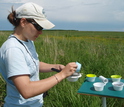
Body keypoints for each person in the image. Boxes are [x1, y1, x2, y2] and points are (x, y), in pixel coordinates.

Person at [0, 2, 78, 107]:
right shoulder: (13, 49)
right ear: (23, 22)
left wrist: (55, 67)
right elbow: (26, 90)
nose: (41, 32)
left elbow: (32, 63)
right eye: (38, 26)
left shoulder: (27, 41)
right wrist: (62, 74)